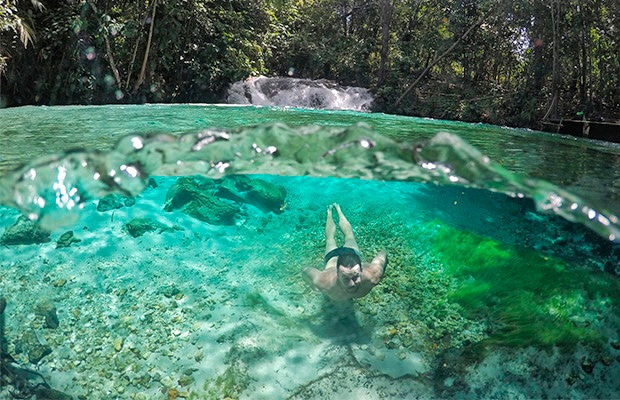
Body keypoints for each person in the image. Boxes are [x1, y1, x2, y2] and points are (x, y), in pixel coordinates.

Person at [302, 203, 387, 301]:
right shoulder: (323, 282)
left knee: (340, 238)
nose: (352, 284)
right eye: (346, 278)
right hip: (334, 257)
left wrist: (382, 271)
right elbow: (304, 270)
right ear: (337, 274)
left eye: (355, 277)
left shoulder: (373, 276)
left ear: (361, 271)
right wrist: (314, 286)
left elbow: (383, 254)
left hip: (349, 253)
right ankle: (329, 213)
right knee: (334, 238)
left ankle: (338, 210)